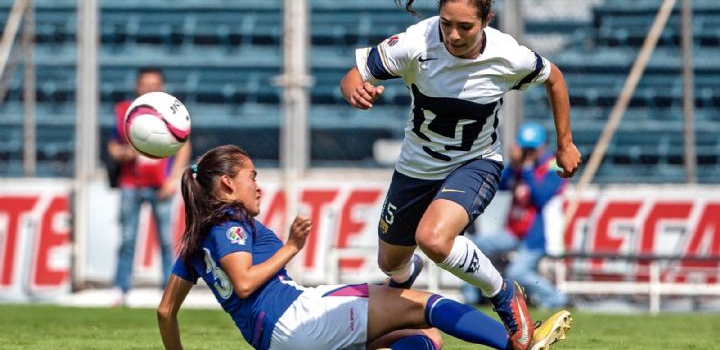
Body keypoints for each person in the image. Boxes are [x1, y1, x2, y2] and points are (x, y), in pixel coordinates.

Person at [338, 0, 581, 348]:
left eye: (465, 27)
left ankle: (507, 298)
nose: (453, 35)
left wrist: (565, 144)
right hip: (415, 168)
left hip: (476, 163)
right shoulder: (415, 43)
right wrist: (356, 91)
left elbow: (555, 78)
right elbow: (354, 74)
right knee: (390, 263)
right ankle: (404, 286)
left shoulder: (508, 55)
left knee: (434, 239)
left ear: (486, 20)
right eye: (447, 24)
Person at [156, 144, 572, 350]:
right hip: (300, 317)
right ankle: (520, 343)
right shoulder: (229, 224)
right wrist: (291, 247)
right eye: (251, 175)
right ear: (227, 183)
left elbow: (165, 311)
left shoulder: (196, 238)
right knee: (424, 304)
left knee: (427, 336)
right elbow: (244, 282)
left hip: (279, 339)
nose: (258, 184)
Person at [462, 122, 569, 309]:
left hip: (536, 237)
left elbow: (541, 197)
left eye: (531, 149)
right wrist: (513, 164)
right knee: (474, 245)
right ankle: (471, 297)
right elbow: (500, 184)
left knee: (516, 272)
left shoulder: (553, 166)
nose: (528, 153)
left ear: (542, 147)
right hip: (513, 232)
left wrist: (526, 169)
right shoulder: (519, 168)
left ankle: (557, 299)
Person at [108, 67, 191, 305]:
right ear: (137, 86)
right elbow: (113, 145)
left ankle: (169, 290)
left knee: (167, 240)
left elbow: (184, 146)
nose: (150, 89)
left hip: (160, 184)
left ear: (162, 87)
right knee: (127, 238)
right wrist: (123, 154)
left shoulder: (170, 110)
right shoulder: (126, 111)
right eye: (145, 84)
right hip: (130, 183)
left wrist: (173, 180)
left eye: (155, 84)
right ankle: (120, 289)